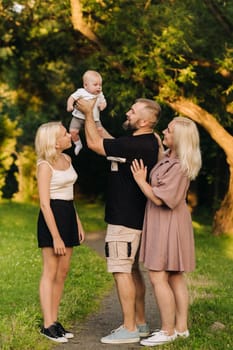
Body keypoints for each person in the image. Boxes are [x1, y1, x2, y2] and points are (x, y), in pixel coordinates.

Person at [76, 97, 163, 344]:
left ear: (144, 121)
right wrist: (94, 116)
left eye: (132, 111)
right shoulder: (144, 141)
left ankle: (129, 327)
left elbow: (94, 143)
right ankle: (141, 323)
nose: (127, 112)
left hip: (124, 219)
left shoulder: (138, 145)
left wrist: (87, 112)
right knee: (132, 269)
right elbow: (109, 141)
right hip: (134, 217)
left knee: (120, 270)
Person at [130, 116, 202, 347]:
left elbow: (161, 200)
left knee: (158, 275)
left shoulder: (180, 165)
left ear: (179, 139)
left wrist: (141, 181)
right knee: (174, 275)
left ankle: (168, 330)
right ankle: (181, 328)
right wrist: (160, 144)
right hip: (169, 221)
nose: (164, 130)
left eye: (169, 130)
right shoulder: (170, 158)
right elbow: (162, 159)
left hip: (167, 221)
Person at [35, 121, 85, 343]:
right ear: (55, 142)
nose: (69, 135)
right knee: (51, 271)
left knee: (63, 272)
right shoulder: (44, 166)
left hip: (67, 215)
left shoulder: (67, 159)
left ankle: (55, 321)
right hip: (51, 218)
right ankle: (47, 325)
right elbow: (45, 204)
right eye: (65, 133)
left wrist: (78, 222)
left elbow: (69, 195)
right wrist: (55, 236)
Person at [66, 70, 107, 155]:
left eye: (100, 85)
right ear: (85, 85)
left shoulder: (100, 94)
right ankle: (78, 144)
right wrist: (70, 105)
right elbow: (71, 98)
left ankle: (104, 146)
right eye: (95, 85)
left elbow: (104, 102)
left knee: (100, 131)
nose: (98, 87)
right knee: (73, 131)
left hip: (94, 119)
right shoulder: (81, 92)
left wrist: (103, 105)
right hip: (78, 117)